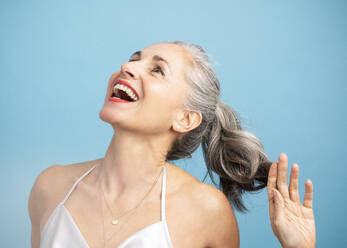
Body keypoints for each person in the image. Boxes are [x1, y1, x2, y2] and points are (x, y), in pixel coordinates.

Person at [28, 41, 316, 248]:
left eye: (157, 70)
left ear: (185, 119)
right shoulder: (50, 187)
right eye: (134, 58)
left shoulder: (206, 211)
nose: (127, 66)